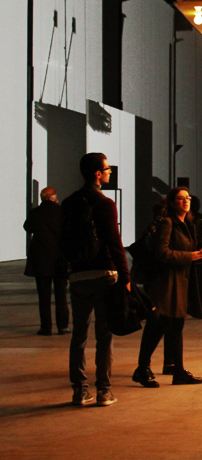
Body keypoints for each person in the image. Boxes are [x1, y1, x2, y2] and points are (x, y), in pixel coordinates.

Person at [62, 153, 131, 407]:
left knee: (79, 335)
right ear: (97, 174)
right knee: (105, 335)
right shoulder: (105, 203)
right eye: (107, 168)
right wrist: (126, 276)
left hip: (79, 275)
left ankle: (79, 390)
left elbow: (63, 242)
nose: (110, 171)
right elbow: (114, 243)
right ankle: (103, 390)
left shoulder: (68, 203)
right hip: (104, 274)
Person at [132, 187, 202, 388]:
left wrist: (196, 255)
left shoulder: (187, 223)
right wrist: (189, 256)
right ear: (173, 202)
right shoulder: (168, 223)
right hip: (167, 283)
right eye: (181, 198)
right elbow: (163, 253)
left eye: (188, 198)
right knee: (157, 326)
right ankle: (142, 368)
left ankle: (178, 370)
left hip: (180, 282)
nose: (186, 201)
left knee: (175, 328)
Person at [24, 187, 70, 336]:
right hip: (59, 259)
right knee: (61, 295)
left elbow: (27, 227)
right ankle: (63, 326)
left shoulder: (35, 212)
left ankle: (45, 327)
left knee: (43, 296)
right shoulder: (62, 212)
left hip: (41, 259)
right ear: (54, 198)